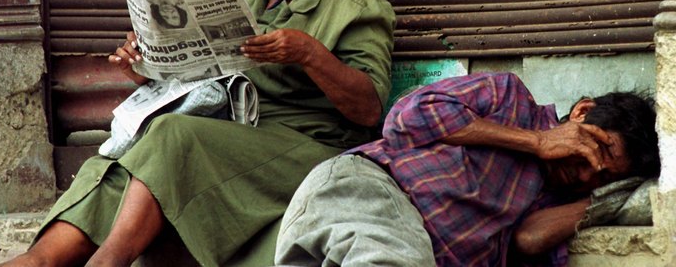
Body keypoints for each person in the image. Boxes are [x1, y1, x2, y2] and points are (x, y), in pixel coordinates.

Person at [0, 0, 395, 267]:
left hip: (307, 146)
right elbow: (201, 74)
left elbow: (368, 111)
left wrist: (309, 53)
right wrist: (146, 65)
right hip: (228, 132)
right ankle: (38, 260)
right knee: (116, 165)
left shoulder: (357, 6)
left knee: (174, 136)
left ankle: (109, 261)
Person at [274, 72, 660, 267]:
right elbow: (407, 118)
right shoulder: (509, 96)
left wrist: (611, 194)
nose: (585, 174)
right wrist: (538, 142)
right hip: (368, 194)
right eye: (590, 152)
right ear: (582, 113)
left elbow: (529, 240)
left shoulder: (555, 201)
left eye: (603, 174)